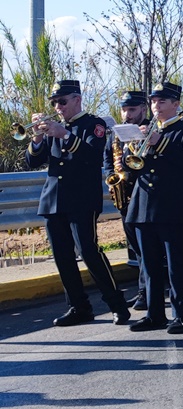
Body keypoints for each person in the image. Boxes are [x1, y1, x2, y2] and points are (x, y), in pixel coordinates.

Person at [26, 79, 130, 327]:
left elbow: (92, 156)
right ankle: (78, 307)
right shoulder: (55, 128)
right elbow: (33, 161)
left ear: (77, 99)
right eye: (54, 103)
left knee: (88, 251)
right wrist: (38, 137)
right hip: (54, 199)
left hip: (81, 199)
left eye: (62, 101)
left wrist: (65, 134)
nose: (58, 107)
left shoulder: (93, 124)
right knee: (62, 256)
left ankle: (117, 304)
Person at [125, 82, 183, 334]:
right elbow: (132, 169)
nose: (156, 106)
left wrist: (160, 143)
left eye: (162, 102)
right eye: (154, 102)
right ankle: (154, 313)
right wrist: (130, 148)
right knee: (149, 263)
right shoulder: (146, 130)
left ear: (176, 105)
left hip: (171, 205)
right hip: (143, 203)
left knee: (177, 263)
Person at [103, 90, 150, 311]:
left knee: (146, 248)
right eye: (124, 110)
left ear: (143, 109)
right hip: (124, 193)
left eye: (132, 109)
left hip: (143, 193)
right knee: (135, 247)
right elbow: (107, 158)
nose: (127, 114)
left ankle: (147, 291)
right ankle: (143, 290)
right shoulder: (117, 133)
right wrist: (111, 175)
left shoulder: (149, 129)